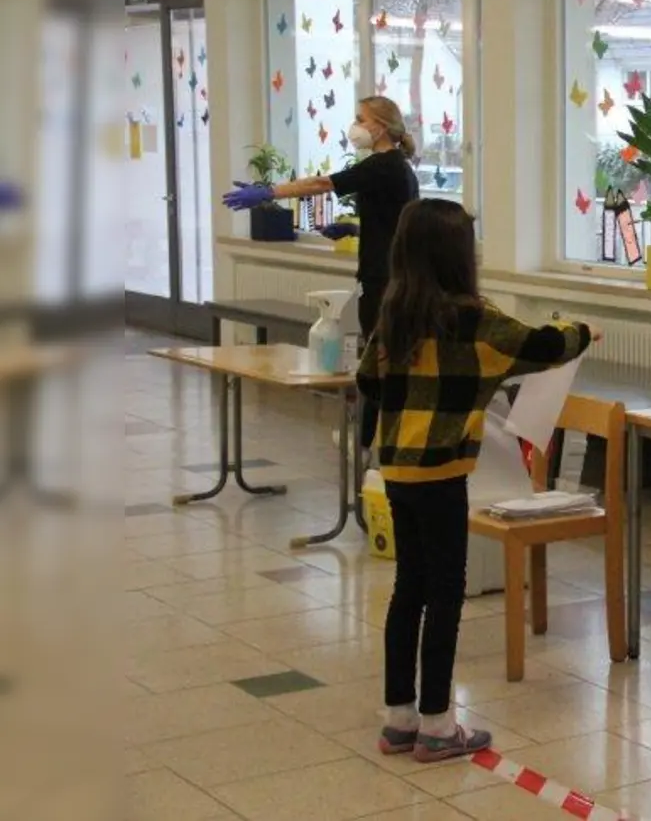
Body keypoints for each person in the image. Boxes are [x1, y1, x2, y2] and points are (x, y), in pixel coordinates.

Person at [356, 199, 597, 762]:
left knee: (408, 589)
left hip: (395, 467)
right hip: (442, 473)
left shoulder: (395, 310)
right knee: (445, 594)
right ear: (460, 255)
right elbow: (542, 345)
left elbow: (368, 380)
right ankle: (439, 725)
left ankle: (399, 718)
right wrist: (583, 330)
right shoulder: (473, 318)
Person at [222, 95, 420, 449]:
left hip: (385, 278)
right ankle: (371, 436)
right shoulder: (394, 167)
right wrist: (356, 230)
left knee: (380, 360)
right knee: (379, 357)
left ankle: (371, 439)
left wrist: (270, 191)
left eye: (362, 118)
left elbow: (321, 184)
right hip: (386, 271)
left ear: (382, 126)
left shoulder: (385, 164)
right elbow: (396, 221)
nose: (356, 126)